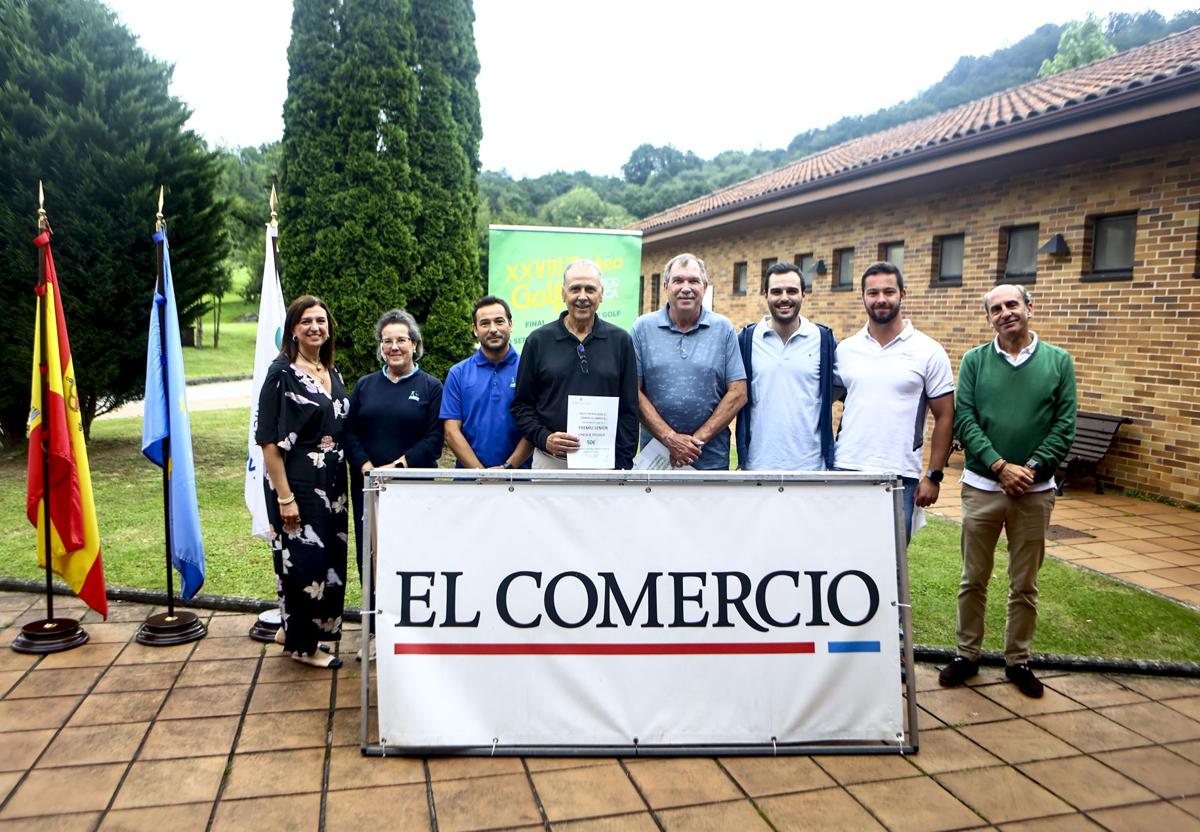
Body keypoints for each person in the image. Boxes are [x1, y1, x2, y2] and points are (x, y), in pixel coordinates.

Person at [939, 284, 1076, 698]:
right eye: (996, 309)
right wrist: (999, 466)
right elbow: (965, 419)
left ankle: (1018, 660)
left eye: (1012, 304)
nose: (1005, 313)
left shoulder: (1058, 361)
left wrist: (1030, 470)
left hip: (1034, 492)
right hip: (982, 487)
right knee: (972, 578)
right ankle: (967, 655)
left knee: (1025, 582)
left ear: (1030, 307)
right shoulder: (976, 361)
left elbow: (1064, 423)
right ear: (989, 318)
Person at [256, 295, 349, 669]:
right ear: (293, 329)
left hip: (333, 486)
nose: (315, 327)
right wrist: (285, 498)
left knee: (328, 561)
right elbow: (267, 442)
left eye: (321, 321)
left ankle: (293, 631)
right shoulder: (281, 375)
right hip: (297, 484)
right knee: (304, 563)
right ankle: (304, 648)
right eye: (307, 321)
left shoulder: (332, 372)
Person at [344, 309, 444, 659]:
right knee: (370, 557)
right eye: (387, 341)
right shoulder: (365, 386)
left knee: (412, 555)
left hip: (412, 487)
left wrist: (398, 466)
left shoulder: (431, 387)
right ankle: (373, 633)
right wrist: (369, 467)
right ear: (380, 347)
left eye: (401, 339)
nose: (394, 346)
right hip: (369, 486)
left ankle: (412, 629)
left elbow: (435, 438)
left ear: (415, 345)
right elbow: (350, 432)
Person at [834, 262, 955, 541]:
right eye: (872, 293)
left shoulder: (928, 351)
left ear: (903, 294)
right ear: (863, 297)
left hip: (899, 474)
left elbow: (945, 416)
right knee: (841, 555)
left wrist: (934, 475)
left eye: (889, 292)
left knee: (892, 562)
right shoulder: (847, 349)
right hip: (845, 467)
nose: (881, 299)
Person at [511, 259, 639, 469]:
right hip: (550, 461)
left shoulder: (620, 341)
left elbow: (629, 410)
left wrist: (622, 465)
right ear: (563, 294)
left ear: (601, 294)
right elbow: (521, 405)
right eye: (574, 289)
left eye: (590, 289)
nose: (582, 296)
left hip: (606, 465)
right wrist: (544, 438)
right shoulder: (538, 341)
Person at [632, 254, 746, 469]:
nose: (686, 288)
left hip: (710, 459)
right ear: (666, 286)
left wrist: (695, 442)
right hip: (656, 459)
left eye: (693, 281)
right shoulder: (642, 328)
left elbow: (738, 393)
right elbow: (632, 391)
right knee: (652, 503)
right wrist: (670, 438)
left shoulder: (723, 329)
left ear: (705, 286)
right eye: (678, 281)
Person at [735, 262, 836, 470]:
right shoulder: (747, 340)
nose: (784, 298)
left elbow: (838, 389)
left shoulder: (823, 340)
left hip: (811, 468)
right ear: (765, 295)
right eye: (776, 291)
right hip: (758, 466)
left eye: (792, 291)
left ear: (803, 295)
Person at [441, 296, 533, 469]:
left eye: (499, 321)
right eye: (484, 323)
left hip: (520, 481)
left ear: (510, 325)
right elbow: (451, 432)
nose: (493, 329)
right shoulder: (458, 373)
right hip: (470, 483)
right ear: (475, 329)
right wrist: (481, 473)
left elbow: (534, 426)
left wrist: (508, 469)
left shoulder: (528, 369)